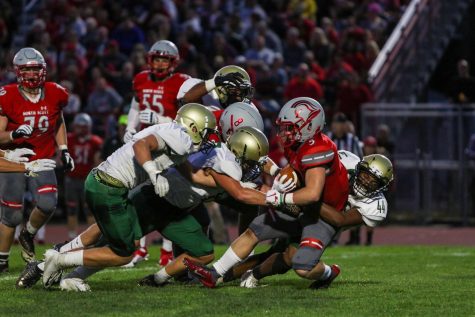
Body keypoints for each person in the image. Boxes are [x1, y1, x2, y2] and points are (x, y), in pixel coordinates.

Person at [16, 126, 271, 291]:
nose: (256, 166)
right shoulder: (227, 165)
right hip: (154, 198)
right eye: (254, 160)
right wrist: (279, 199)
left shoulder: (221, 158)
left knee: (203, 253)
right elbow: (236, 192)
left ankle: (157, 278)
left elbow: (196, 174)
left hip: (176, 210)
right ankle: (56, 265)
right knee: (116, 242)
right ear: (240, 152)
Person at [39, 103, 217, 288]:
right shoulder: (181, 138)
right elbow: (141, 145)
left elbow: (191, 173)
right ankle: (59, 259)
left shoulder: (172, 132)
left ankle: (71, 277)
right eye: (206, 131)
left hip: (105, 183)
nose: (207, 137)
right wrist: (153, 173)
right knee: (123, 253)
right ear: (193, 127)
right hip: (109, 188)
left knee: (123, 240)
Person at [185, 97, 349, 289]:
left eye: (290, 128)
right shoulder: (297, 145)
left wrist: (279, 197)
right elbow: (294, 174)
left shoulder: (317, 148)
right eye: (284, 127)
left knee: (302, 267)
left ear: (309, 126)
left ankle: (329, 272)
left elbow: (312, 194)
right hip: (302, 206)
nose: (285, 133)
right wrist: (279, 176)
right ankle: (214, 273)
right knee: (256, 229)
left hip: (322, 215)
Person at [240, 150, 393, 288]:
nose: (367, 181)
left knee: (293, 259)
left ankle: (328, 273)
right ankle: (231, 273)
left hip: (325, 223)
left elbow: (340, 220)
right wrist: (283, 176)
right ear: (360, 168)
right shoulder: (345, 162)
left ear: (381, 187)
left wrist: (308, 197)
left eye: (374, 182)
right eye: (366, 175)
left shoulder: (377, 206)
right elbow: (308, 171)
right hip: (307, 206)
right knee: (269, 236)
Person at [0, 47, 74, 271]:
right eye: (26, 70)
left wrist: (64, 148)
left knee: (47, 203)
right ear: (18, 72)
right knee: (11, 215)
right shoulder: (8, 95)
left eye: (35, 69)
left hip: (41, 158)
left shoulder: (56, 92)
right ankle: (2, 260)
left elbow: (58, 119)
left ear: (43, 70)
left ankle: (28, 234)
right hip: (13, 157)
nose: (31, 75)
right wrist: (14, 134)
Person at [123, 40, 190, 266]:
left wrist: (160, 119)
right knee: (136, 193)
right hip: (146, 143)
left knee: (168, 195)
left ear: (173, 62)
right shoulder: (141, 79)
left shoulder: (182, 83)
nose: (160, 64)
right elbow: (135, 106)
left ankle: (166, 251)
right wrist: (129, 128)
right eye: (157, 58)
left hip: (169, 143)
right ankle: (140, 248)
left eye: (165, 59)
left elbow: (188, 120)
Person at [64, 113, 103, 239]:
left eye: (83, 126)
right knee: (71, 210)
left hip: (87, 180)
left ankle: (92, 238)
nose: (81, 129)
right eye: (79, 126)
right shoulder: (69, 139)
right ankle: (71, 237)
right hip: (71, 179)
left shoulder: (95, 141)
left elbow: (98, 162)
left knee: (90, 211)